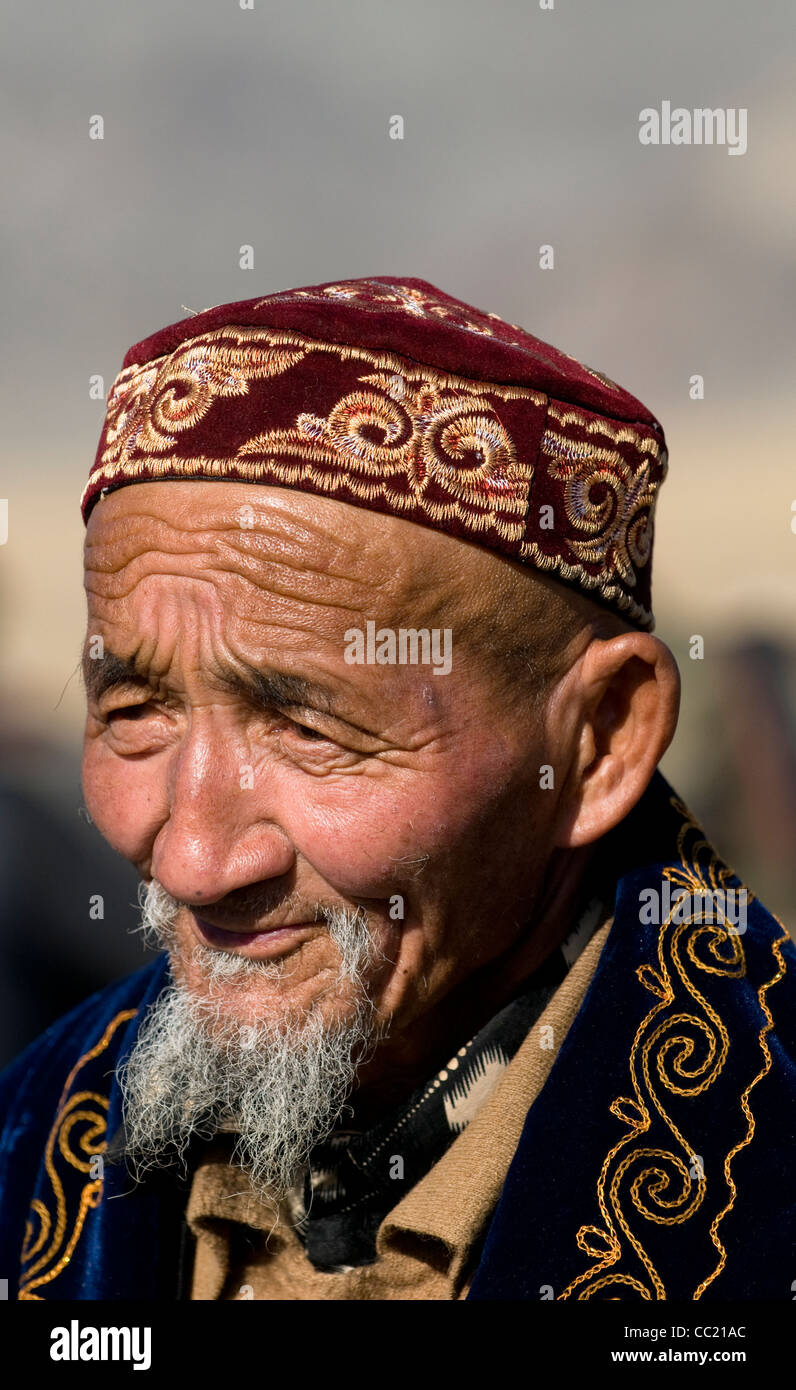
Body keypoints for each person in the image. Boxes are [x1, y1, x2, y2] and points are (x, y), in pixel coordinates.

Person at [1, 276, 792, 1301]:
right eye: (135, 712)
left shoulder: (750, 1193)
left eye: (309, 728)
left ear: (598, 742)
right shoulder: (36, 1146)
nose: (192, 859)